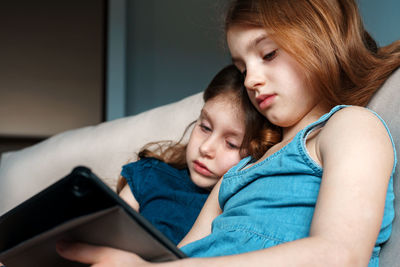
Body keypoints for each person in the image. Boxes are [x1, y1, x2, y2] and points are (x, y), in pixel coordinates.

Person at [56, 0, 400, 266]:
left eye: (268, 54)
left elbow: (340, 256)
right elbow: (181, 256)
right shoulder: (237, 174)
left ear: (319, 40)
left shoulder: (351, 126)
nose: (251, 79)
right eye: (242, 67)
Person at [116, 64, 279, 245]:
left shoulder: (242, 209)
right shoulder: (149, 175)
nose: (206, 148)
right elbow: (108, 235)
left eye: (231, 144)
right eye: (205, 127)